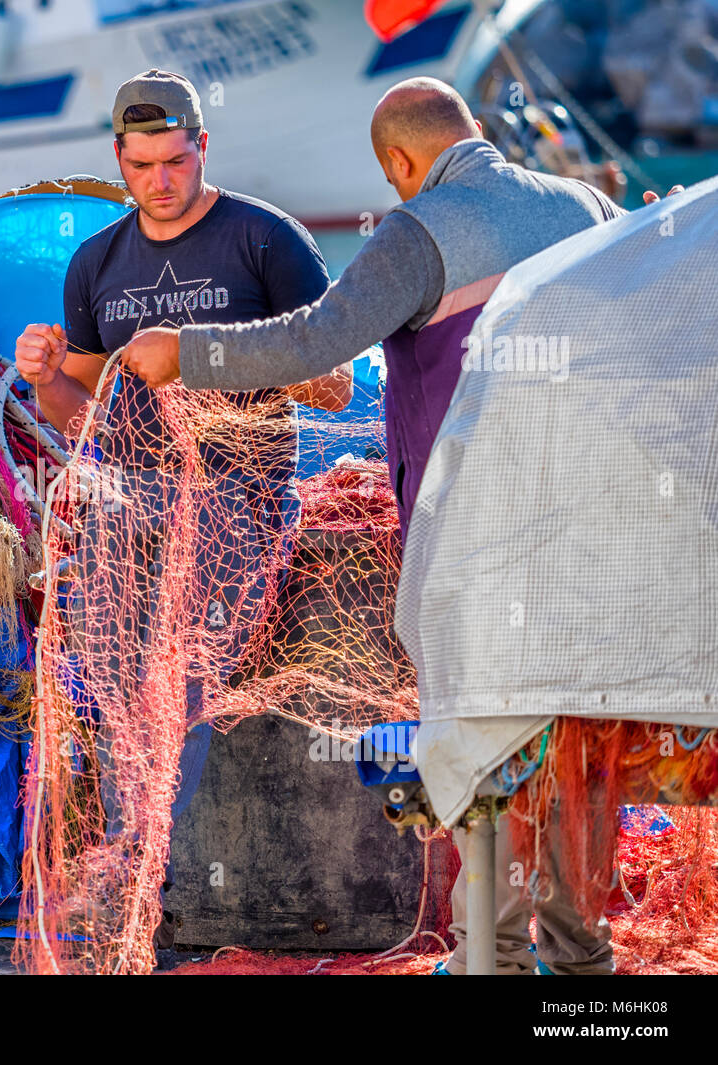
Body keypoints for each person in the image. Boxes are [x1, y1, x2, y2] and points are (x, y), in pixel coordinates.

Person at [117, 76, 636, 975]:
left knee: (486, 745)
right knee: (578, 743)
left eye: (392, 177)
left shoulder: (419, 228)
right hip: (595, 529)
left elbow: (316, 340)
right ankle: (584, 960)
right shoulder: (588, 203)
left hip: (482, 535)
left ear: (401, 162)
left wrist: (185, 352)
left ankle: (496, 957)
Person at [14, 68, 352, 956]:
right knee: (107, 679)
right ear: (117, 161)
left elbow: (333, 381)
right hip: (124, 502)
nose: (161, 180)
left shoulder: (265, 240)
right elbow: (83, 417)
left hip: (235, 499)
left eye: (177, 160)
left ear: (205, 147)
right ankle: (126, 868)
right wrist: (50, 374)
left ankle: (135, 876)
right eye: (143, 165)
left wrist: (195, 356)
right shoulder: (97, 262)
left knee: (183, 682)